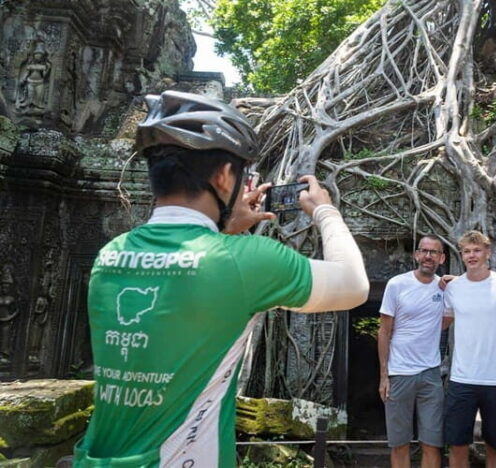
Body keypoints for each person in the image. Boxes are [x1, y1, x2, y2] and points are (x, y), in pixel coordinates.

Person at [73, 90, 369, 467]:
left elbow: (181, 297)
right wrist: (325, 211)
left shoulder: (110, 255)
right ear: (225, 176)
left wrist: (222, 228)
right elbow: (354, 285)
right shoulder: (245, 261)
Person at [443, 231, 496, 468]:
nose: (472, 255)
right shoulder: (453, 288)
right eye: (467, 251)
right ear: (462, 255)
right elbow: (442, 322)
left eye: (477, 250)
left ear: (488, 252)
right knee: (457, 444)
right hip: (461, 378)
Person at [378, 235, 447, 468]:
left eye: (434, 252)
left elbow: (446, 319)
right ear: (416, 254)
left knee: (432, 443)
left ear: (442, 258)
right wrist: (384, 376)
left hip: (430, 374)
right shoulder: (397, 284)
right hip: (398, 373)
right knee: (399, 443)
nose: (428, 256)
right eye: (424, 251)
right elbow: (384, 331)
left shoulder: (446, 288)